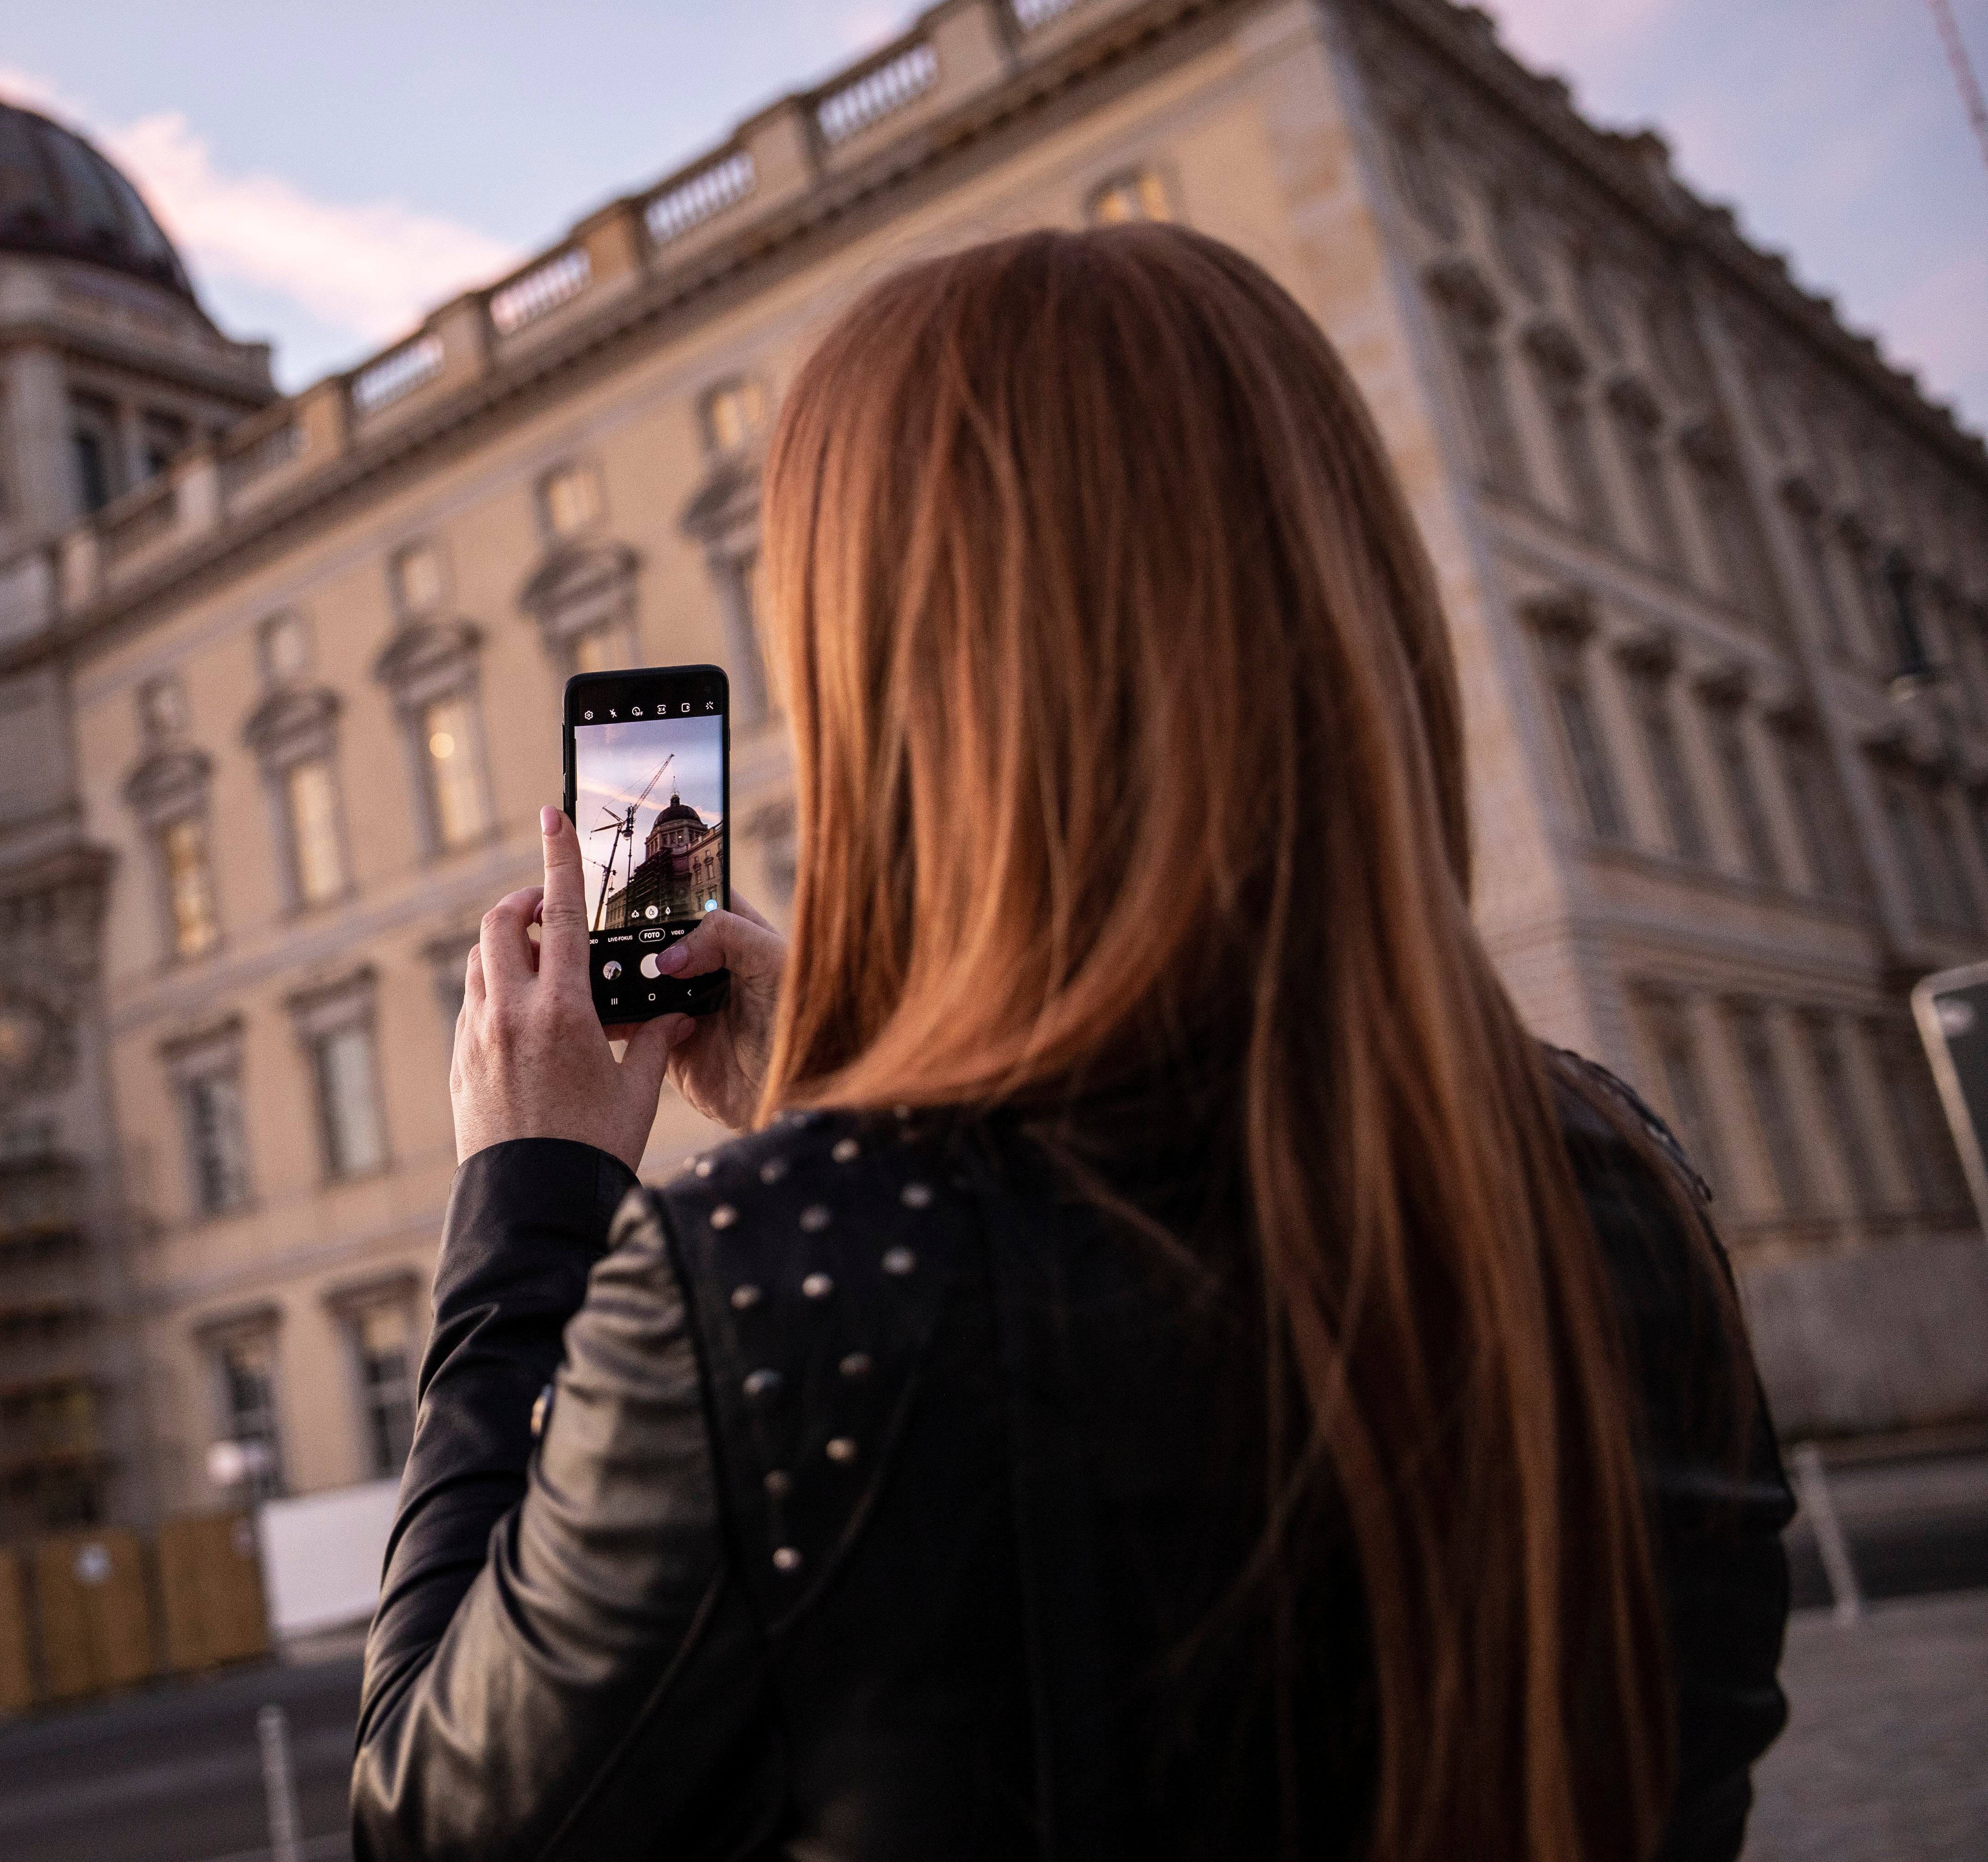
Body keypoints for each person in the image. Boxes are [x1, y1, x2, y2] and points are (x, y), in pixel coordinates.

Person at [350, 226, 1793, 1862]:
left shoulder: (755, 1285)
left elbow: (427, 1824)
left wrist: (532, 1194)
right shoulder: (1623, 1179)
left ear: (897, 685)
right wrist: (863, 1101)